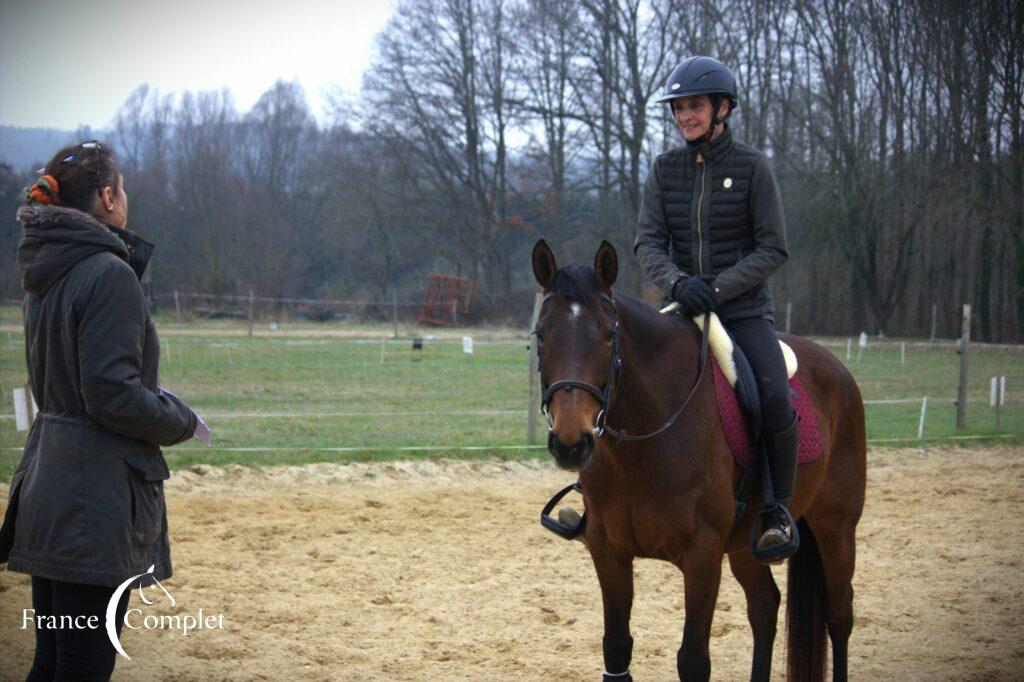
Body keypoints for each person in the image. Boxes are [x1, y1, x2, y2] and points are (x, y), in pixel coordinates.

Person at [0, 140, 198, 680]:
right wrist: (180, 419)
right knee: (84, 665)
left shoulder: (45, 271)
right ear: (108, 197)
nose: (127, 197)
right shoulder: (108, 273)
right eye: (124, 187)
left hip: (49, 483)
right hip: (93, 497)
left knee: (54, 659)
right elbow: (111, 394)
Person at [634, 56, 799, 563]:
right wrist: (679, 283)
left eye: (696, 106)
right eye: (680, 108)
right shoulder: (664, 170)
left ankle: (776, 510)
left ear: (722, 108)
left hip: (744, 312)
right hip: (682, 308)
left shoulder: (752, 167)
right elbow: (647, 243)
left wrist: (719, 289)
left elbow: (773, 248)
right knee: (619, 374)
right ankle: (596, 497)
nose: (686, 116)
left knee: (772, 393)